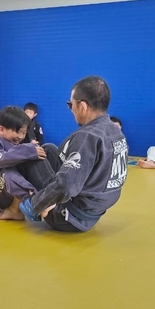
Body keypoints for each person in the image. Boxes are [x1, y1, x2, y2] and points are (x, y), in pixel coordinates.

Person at [15, 76, 128, 232]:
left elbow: (66, 185)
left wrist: (36, 204)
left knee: (32, 157)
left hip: (68, 216)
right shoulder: (114, 130)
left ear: (83, 106)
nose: (71, 110)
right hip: (93, 210)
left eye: (71, 104)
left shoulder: (87, 136)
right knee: (47, 150)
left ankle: (15, 205)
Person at [0, 106, 46, 220]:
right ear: (1, 130)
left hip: (8, 191)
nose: (21, 137)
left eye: (24, 133)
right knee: (8, 172)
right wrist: (28, 151)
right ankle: (32, 201)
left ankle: (51, 193)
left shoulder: (15, 146)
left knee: (42, 153)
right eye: (18, 132)